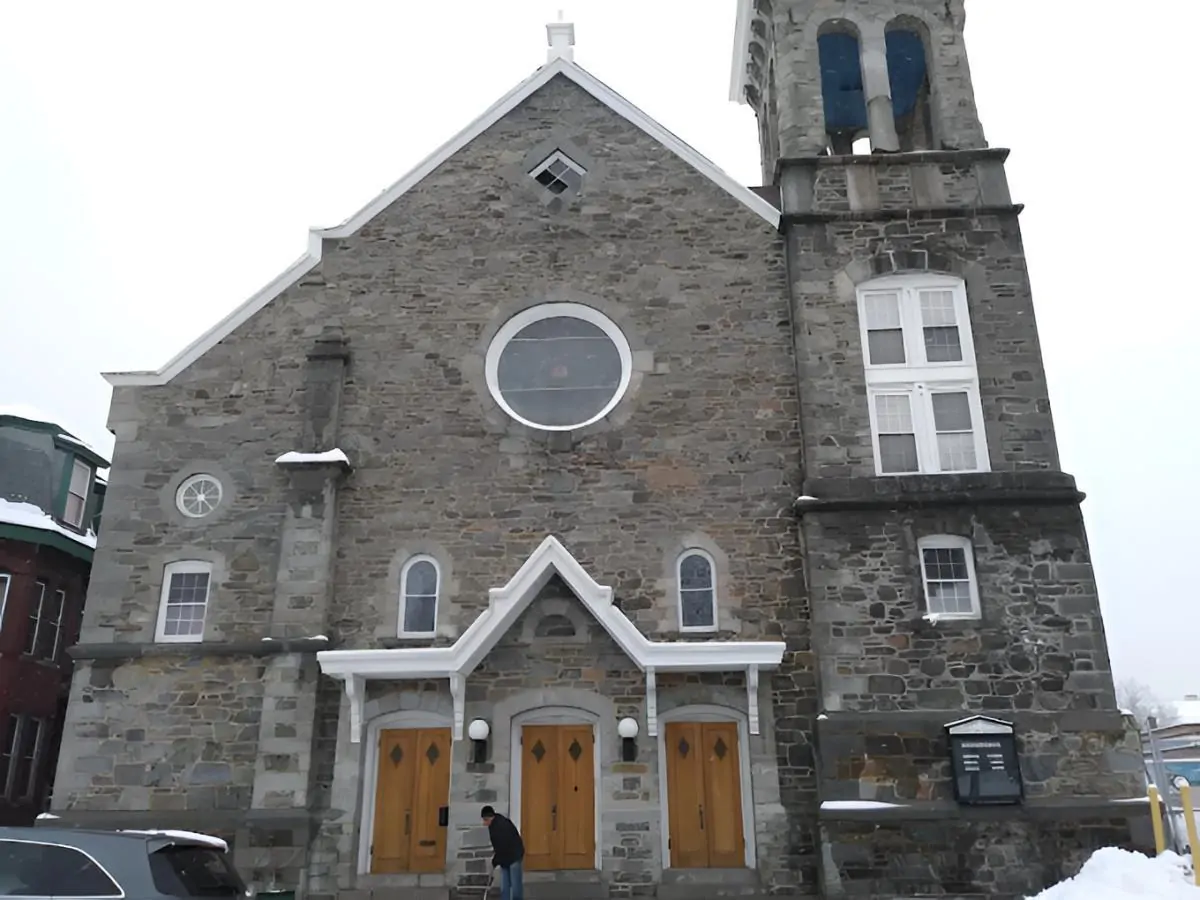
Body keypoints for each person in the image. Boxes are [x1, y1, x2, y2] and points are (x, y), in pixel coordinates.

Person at [481, 805, 524, 900]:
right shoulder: (493, 825)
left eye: (485, 820)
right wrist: (496, 860)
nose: (484, 823)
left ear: (489, 818)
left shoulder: (501, 826)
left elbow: (502, 846)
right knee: (504, 887)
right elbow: (498, 846)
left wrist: (494, 861)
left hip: (514, 856)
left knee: (515, 887)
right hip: (504, 858)